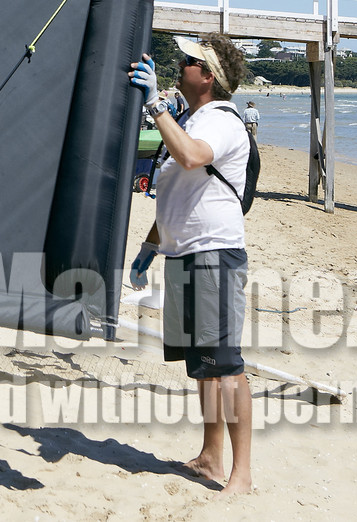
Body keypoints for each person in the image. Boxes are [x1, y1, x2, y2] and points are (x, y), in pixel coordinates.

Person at [127, 33, 253, 496]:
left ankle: (241, 474)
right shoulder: (193, 119)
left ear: (209, 76)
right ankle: (210, 457)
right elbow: (178, 196)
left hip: (213, 256)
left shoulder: (221, 120)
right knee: (203, 367)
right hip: (183, 253)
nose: (180, 65)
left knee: (226, 366)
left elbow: (192, 156)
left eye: (188, 61)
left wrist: (156, 106)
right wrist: (149, 247)